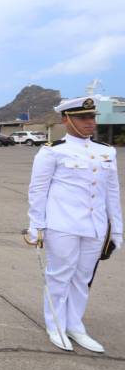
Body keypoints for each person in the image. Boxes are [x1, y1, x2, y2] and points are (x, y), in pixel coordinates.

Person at [26, 96, 122, 353]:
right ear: (66, 119)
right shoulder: (52, 151)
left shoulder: (106, 151)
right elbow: (38, 191)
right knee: (60, 276)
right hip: (63, 225)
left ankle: (75, 325)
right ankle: (56, 324)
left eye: (92, 117)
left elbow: (112, 193)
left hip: (95, 227)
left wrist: (118, 229)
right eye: (83, 118)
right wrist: (36, 226)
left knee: (83, 278)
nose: (90, 122)